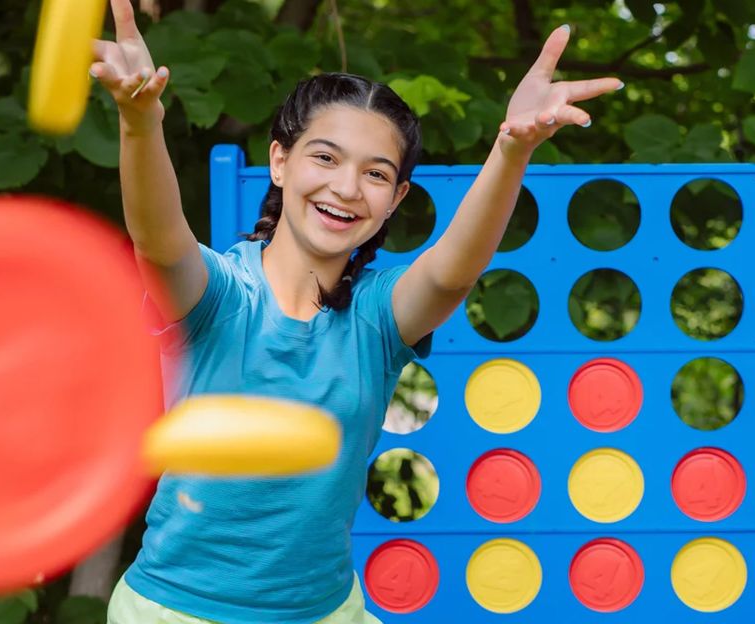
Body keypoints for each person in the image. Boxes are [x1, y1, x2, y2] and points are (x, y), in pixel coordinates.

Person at [88, 0, 622, 621]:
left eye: (375, 174)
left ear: (395, 200)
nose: (346, 188)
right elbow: (157, 237)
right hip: (174, 611)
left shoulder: (374, 315)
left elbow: (452, 272)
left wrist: (511, 151)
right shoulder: (221, 294)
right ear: (280, 162)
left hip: (326, 611)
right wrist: (138, 121)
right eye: (325, 157)